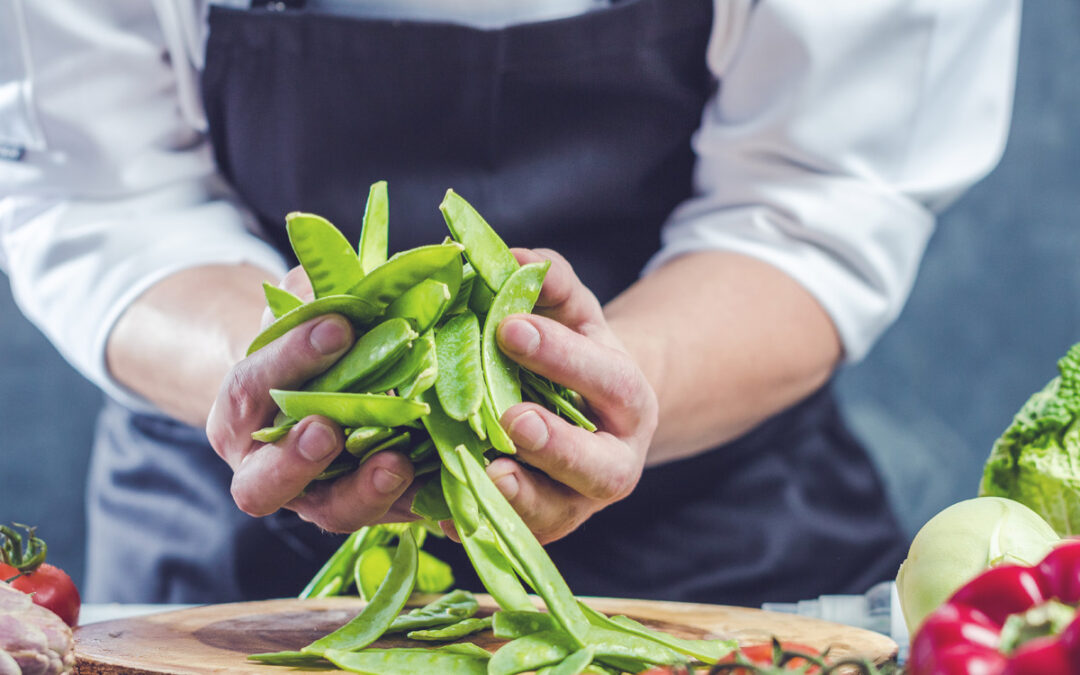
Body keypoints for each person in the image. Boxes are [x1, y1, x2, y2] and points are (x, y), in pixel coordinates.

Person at [0, 0, 1021, 606]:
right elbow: (97, 189)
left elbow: (820, 199)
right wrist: (263, 360)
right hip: (236, 531)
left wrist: (615, 391)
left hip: (719, 534)